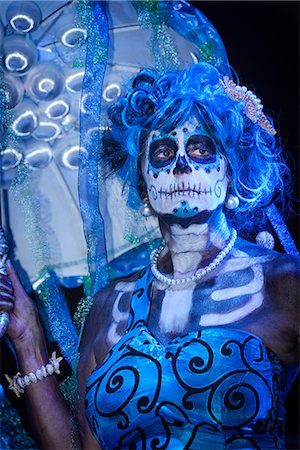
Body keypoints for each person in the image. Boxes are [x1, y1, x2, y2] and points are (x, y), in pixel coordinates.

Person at [1, 61, 299, 450]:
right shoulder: (109, 307)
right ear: (144, 189)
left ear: (228, 175)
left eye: (200, 148)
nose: (181, 166)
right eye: (161, 152)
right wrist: (28, 340)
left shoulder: (283, 283)